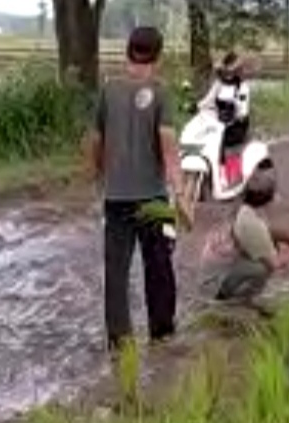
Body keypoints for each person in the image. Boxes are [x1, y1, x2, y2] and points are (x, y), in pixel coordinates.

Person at [84, 26, 185, 351]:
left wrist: (98, 175)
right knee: (159, 266)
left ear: (127, 50)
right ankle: (162, 332)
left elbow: (96, 141)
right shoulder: (161, 91)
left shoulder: (108, 90)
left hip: (115, 196)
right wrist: (180, 191)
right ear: (158, 55)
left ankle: (119, 340)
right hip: (153, 196)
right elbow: (168, 147)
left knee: (116, 270)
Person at [198, 169, 289, 310]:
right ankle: (238, 302)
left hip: (213, 271)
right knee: (262, 269)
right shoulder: (250, 223)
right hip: (215, 283)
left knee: (267, 249)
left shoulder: (244, 208)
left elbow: (269, 231)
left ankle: (236, 295)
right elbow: (275, 264)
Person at [198, 51, 252, 187]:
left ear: (237, 72)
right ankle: (212, 175)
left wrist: (236, 113)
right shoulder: (218, 85)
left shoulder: (242, 87)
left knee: (228, 148)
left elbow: (243, 109)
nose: (228, 75)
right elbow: (207, 101)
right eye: (226, 72)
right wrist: (194, 106)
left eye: (231, 72)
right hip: (219, 121)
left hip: (236, 124)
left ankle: (230, 177)